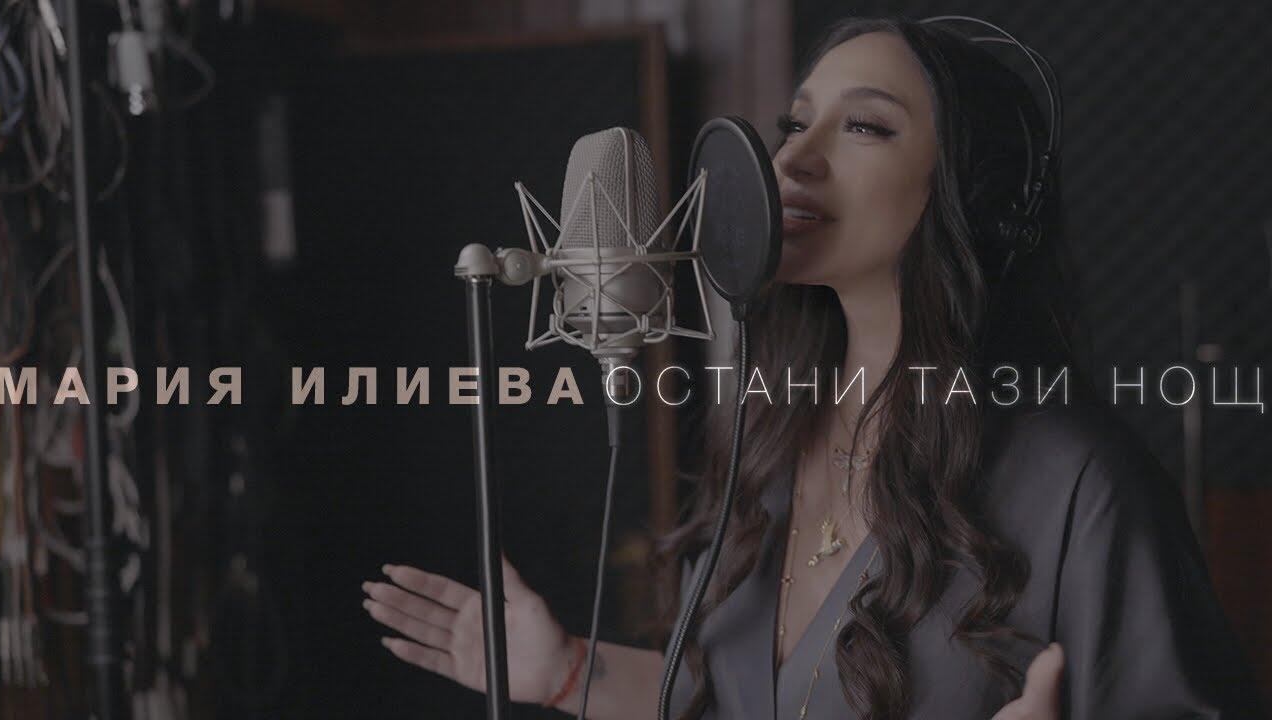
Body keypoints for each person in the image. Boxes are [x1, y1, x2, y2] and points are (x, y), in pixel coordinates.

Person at [360, 16, 1265, 720]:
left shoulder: (1080, 483)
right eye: (794, 124)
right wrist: (569, 672)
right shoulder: (773, 435)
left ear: (973, 189)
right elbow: (740, 702)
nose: (791, 157)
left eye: (864, 125)